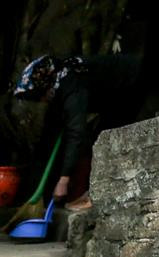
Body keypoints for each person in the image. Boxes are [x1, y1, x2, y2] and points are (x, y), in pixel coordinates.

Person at [11, 50, 142, 212]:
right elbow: (48, 139)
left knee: (104, 139)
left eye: (39, 97)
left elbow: (76, 133)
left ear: (46, 87)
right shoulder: (57, 84)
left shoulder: (72, 87)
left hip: (130, 86)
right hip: (109, 93)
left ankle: (97, 195)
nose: (41, 101)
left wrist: (63, 181)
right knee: (53, 137)